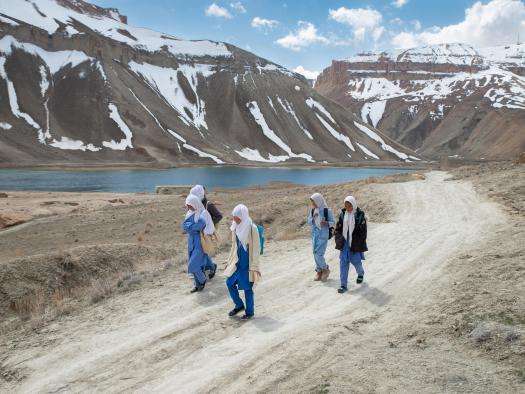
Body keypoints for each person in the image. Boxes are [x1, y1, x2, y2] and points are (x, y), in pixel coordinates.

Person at [224, 204, 262, 320]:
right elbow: (234, 246)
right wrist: (229, 260)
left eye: (236, 217)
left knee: (247, 288)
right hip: (236, 261)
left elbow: (256, 248)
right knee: (229, 282)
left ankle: (249, 312)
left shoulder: (252, 228)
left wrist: (255, 266)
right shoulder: (235, 226)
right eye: (234, 217)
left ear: (243, 216)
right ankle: (239, 305)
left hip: (247, 263)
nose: (234, 219)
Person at [334, 196, 368, 294]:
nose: (348, 208)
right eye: (346, 205)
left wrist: (359, 242)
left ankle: (360, 274)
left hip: (354, 244)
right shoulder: (343, 214)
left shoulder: (359, 216)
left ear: (353, 205)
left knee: (356, 262)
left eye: (349, 206)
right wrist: (338, 237)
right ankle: (343, 285)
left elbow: (363, 232)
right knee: (343, 264)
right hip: (344, 243)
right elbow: (338, 228)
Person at [190, 184, 223, 279]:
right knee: (202, 250)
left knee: (202, 250)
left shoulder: (209, 205)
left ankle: (209, 267)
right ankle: (209, 267)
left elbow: (219, 216)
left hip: (206, 232)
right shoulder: (197, 203)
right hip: (200, 231)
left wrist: (208, 224)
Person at [182, 194, 207, 293]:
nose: (188, 207)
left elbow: (198, 226)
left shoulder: (201, 215)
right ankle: (197, 285)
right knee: (195, 264)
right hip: (191, 242)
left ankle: (202, 279)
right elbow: (185, 226)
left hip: (199, 242)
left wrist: (189, 227)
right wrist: (190, 227)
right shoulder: (189, 214)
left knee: (192, 264)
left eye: (190, 205)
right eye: (187, 205)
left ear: (195, 204)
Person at [307, 193, 335, 281]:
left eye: (314, 202)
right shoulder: (313, 210)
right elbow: (309, 222)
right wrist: (313, 218)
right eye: (312, 202)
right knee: (315, 253)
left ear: (318, 201)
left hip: (323, 235)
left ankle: (325, 269)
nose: (313, 204)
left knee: (319, 254)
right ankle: (319, 271)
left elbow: (333, 222)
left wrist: (326, 223)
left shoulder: (327, 211)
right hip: (315, 235)